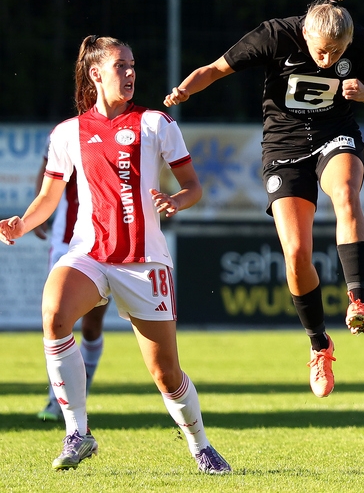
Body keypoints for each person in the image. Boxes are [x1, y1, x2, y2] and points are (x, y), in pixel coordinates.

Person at [163, 0, 364, 398]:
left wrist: (362, 92)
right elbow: (216, 69)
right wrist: (183, 91)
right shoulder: (275, 36)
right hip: (283, 148)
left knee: (345, 193)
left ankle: (358, 300)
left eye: (336, 53)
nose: (327, 60)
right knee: (296, 252)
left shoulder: (354, 38)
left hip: (335, 134)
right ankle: (319, 345)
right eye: (321, 51)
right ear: (304, 34)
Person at [0, 35, 230, 474]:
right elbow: (49, 197)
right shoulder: (68, 133)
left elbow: (193, 186)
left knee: (166, 374)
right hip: (89, 253)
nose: (129, 74)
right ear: (95, 74)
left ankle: (199, 444)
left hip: (145, 263)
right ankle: (77, 432)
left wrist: (176, 202)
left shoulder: (156, 123)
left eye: (132, 65)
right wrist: (20, 223)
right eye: (120, 66)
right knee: (54, 313)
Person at [32, 157, 109, 422]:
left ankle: (81, 389)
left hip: (105, 243)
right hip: (66, 243)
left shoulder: (119, 132)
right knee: (57, 320)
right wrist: (36, 215)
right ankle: (58, 400)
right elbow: (46, 174)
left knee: (90, 326)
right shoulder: (66, 132)